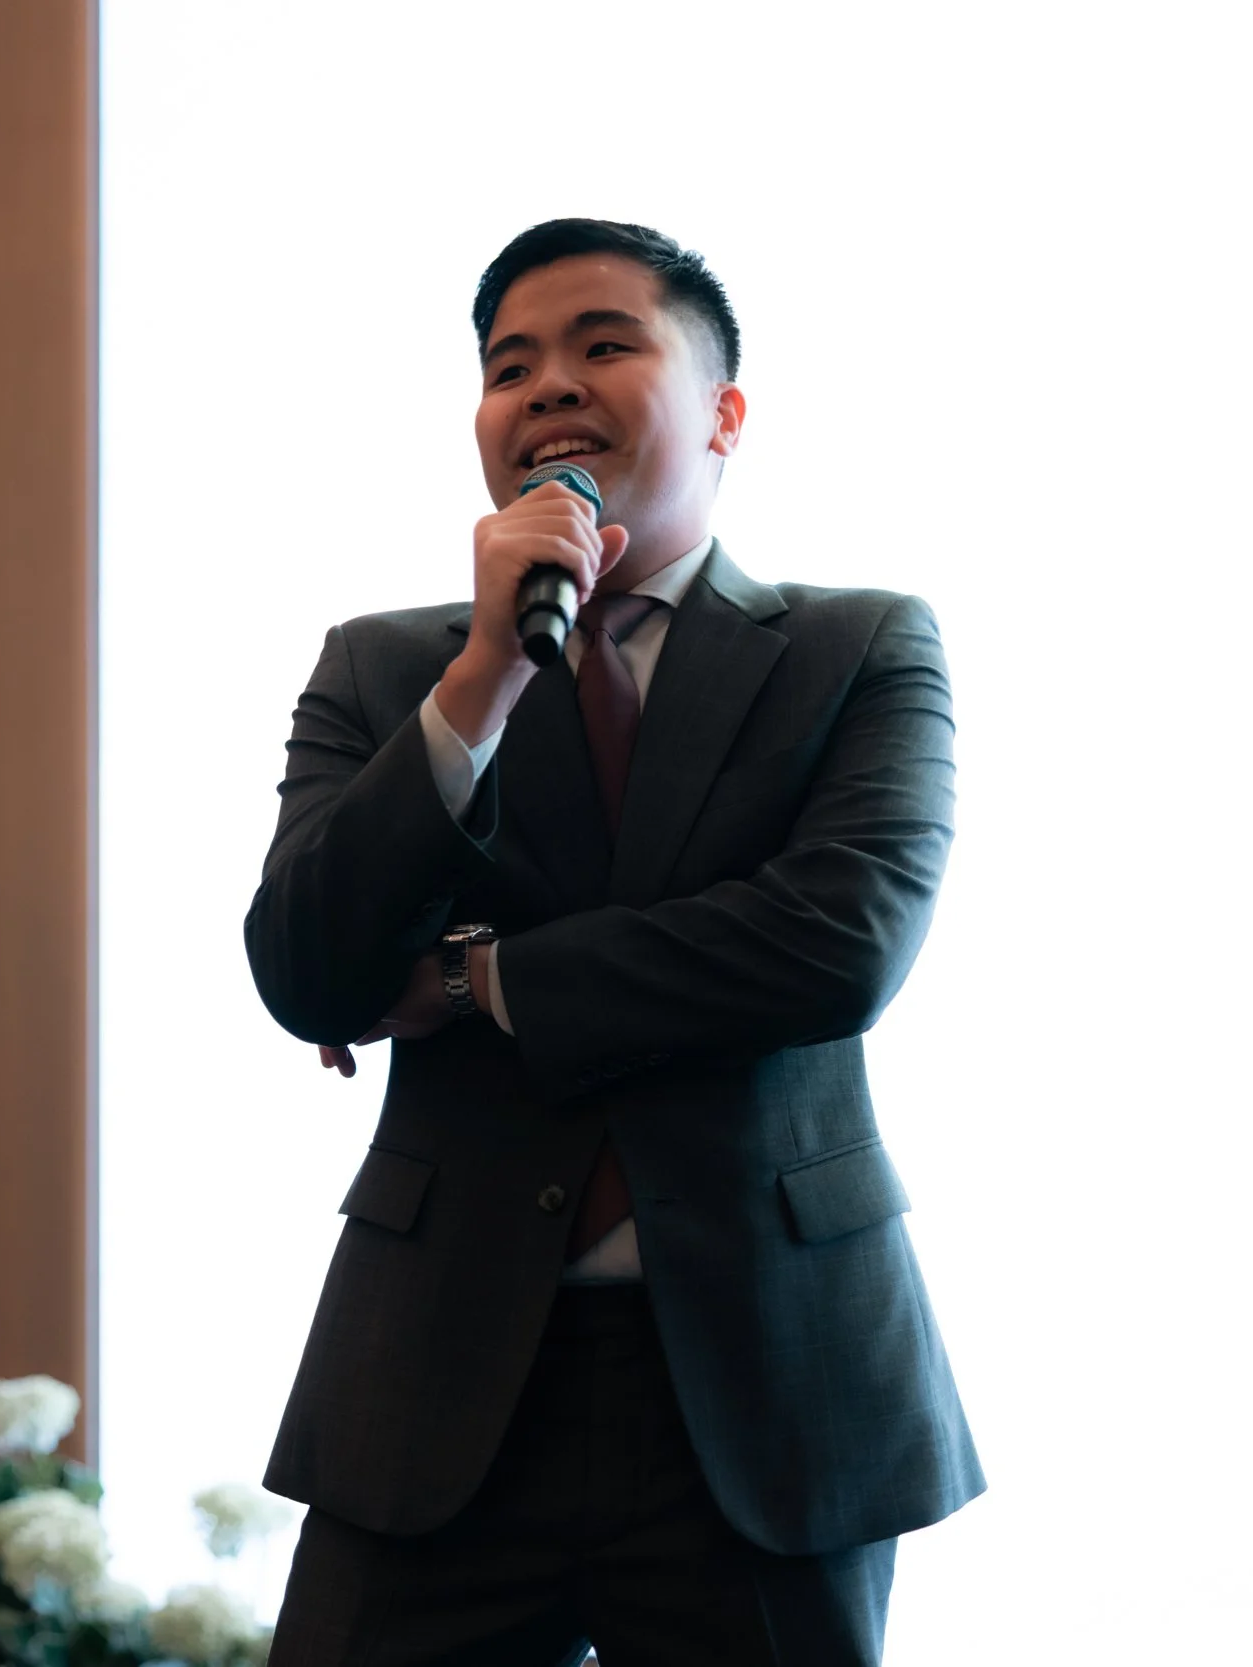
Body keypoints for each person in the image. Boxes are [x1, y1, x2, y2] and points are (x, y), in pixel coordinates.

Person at [246, 220, 981, 1666]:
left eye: (603, 344)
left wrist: (471, 974)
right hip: (434, 1376)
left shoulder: (858, 647)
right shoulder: (385, 667)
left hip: (765, 1379)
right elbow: (306, 969)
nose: (549, 385)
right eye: (508, 364)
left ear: (724, 413)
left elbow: (837, 944)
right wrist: (483, 676)